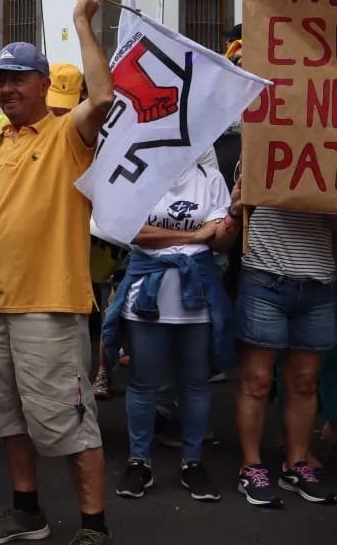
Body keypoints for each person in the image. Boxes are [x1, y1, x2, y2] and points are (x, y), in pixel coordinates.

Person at [0, 0, 116, 545]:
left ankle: (94, 525)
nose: (7, 88)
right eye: (0, 80)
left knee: (69, 421)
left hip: (50, 304)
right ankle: (28, 512)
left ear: (45, 84)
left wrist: (82, 20)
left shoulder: (69, 133)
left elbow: (104, 97)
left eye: (18, 78)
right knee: (5, 416)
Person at [101, 152, 237, 503]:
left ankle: (193, 462)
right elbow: (133, 231)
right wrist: (197, 236)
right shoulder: (137, 175)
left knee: (195, 384)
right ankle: (139, 460)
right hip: (147, 296)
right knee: (144, 384)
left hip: (198, 299)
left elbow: (222, 241)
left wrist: (233, 213)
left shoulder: (210, 178)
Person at [231, 175, 337, 507]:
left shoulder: (328, 153)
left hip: (319, 279)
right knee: (258, 380)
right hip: (265, 275)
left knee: (305, 381)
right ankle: (251, 467)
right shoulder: (265, 143)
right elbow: (239, 202)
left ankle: (297, 463)